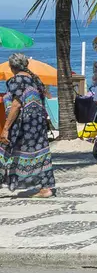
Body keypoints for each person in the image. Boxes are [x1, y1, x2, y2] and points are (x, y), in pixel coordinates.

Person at [0, 53, 55, 198]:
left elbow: (16, 105)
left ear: (12, 67)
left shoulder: (17, 80)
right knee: (39, 152)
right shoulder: (35, 79)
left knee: (4, 150)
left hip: (22, 124)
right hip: (38, 123)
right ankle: (45, 188)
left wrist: (6, 128)